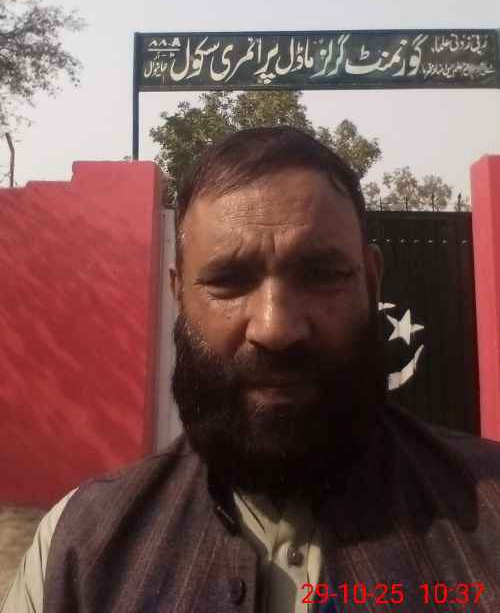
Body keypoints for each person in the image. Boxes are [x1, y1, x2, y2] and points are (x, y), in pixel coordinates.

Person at [2, 125, 500, 613]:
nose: (275, 328)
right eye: (229, 281)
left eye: (320, 275)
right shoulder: (76, 550)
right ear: (179, 295)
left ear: (371, 284)